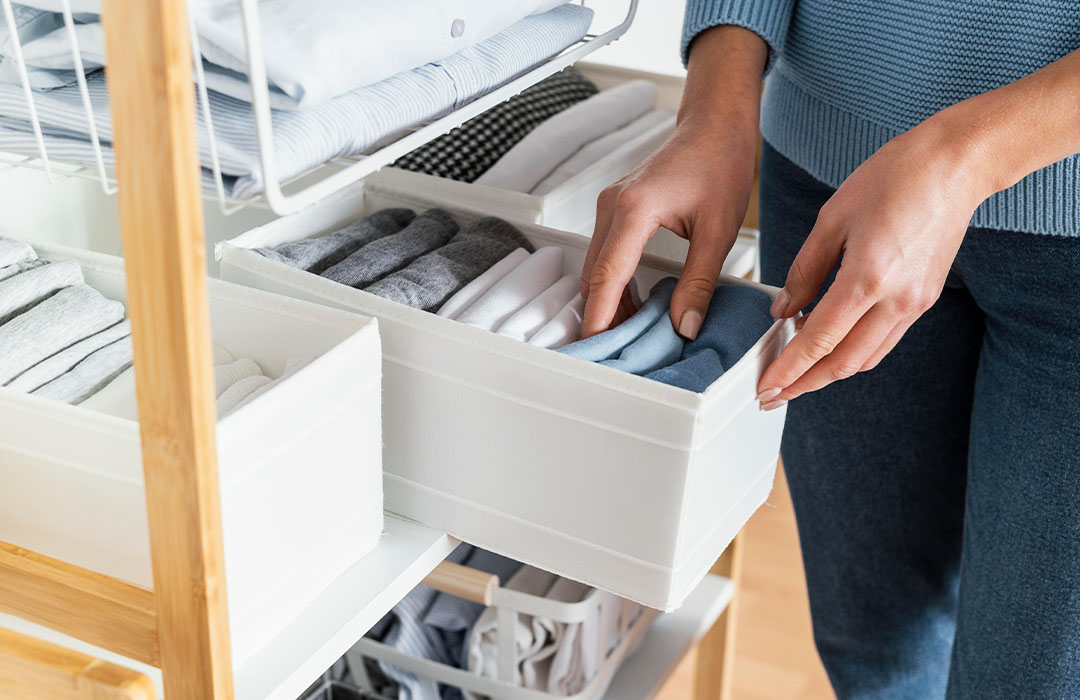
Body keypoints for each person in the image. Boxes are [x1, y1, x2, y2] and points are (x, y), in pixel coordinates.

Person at [577, 2, 1080, 698]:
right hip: (830, 172)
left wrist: (966, 157)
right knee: (868, 640)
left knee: (1032, 683)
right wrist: (715, 109)